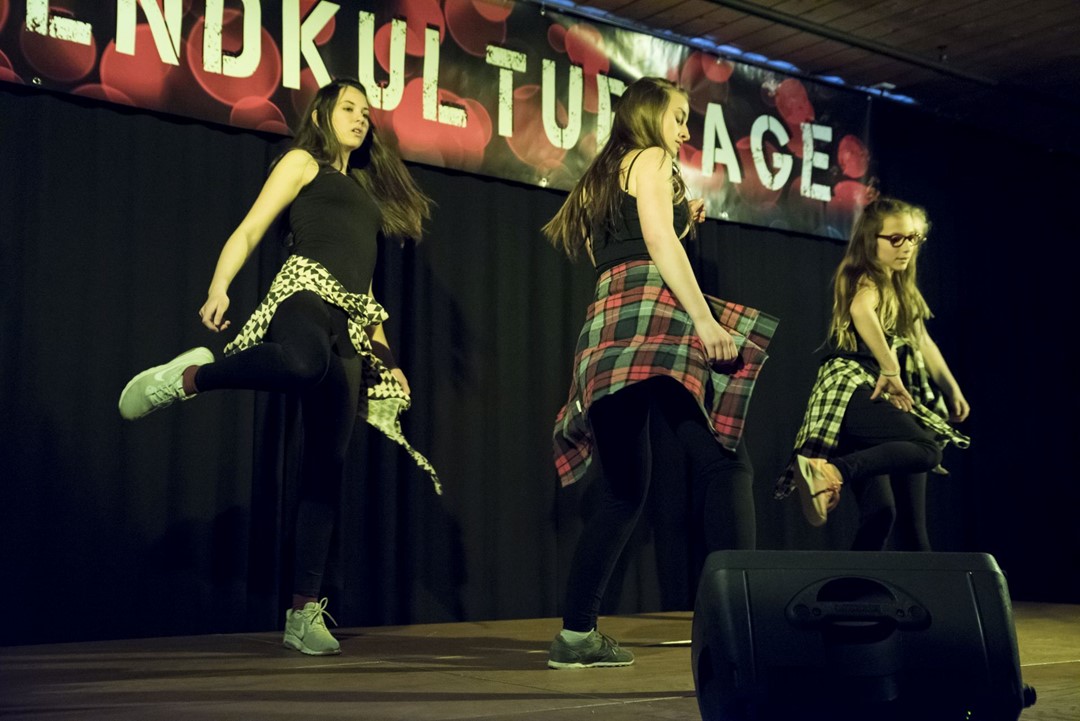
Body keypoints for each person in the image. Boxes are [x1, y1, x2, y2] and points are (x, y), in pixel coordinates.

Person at [118, 78, 440, 655]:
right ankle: (189, 378)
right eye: (349, 108)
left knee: (326, 468)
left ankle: (302, 612)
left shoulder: (364, 193)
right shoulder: (302, 164)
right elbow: (250, 229)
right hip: (304, 292)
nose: (361, 118)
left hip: (350, 320)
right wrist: (220, 286)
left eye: (366, 112)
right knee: (300, 363)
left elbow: (367, 289)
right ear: (321, 115)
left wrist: (387, 357)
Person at [542, 77, 777, 669]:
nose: (685, 129)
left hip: (608, 326)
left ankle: (575, 637)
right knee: (725, 460)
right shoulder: (651, 157)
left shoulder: (605, 174)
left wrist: (680, 215)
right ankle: (740, 622)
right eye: (678, 116)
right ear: (649, 116)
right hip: (652, 316)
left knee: (623, 491)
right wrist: (705, 320)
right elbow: (654, 240)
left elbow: (623, 243)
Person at [775, 197, 970, 551]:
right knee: (927, 450)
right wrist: (890, 367)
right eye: (895, 238)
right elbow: (861, 311)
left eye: (913, 238)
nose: (906, 246)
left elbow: (922, 340)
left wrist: (952, 389)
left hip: (881, 395)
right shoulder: (866, 278)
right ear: (870, 240)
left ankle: (856, 586)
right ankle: (831, 471)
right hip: (852, 390)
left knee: (885, 515)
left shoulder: (902, 287)